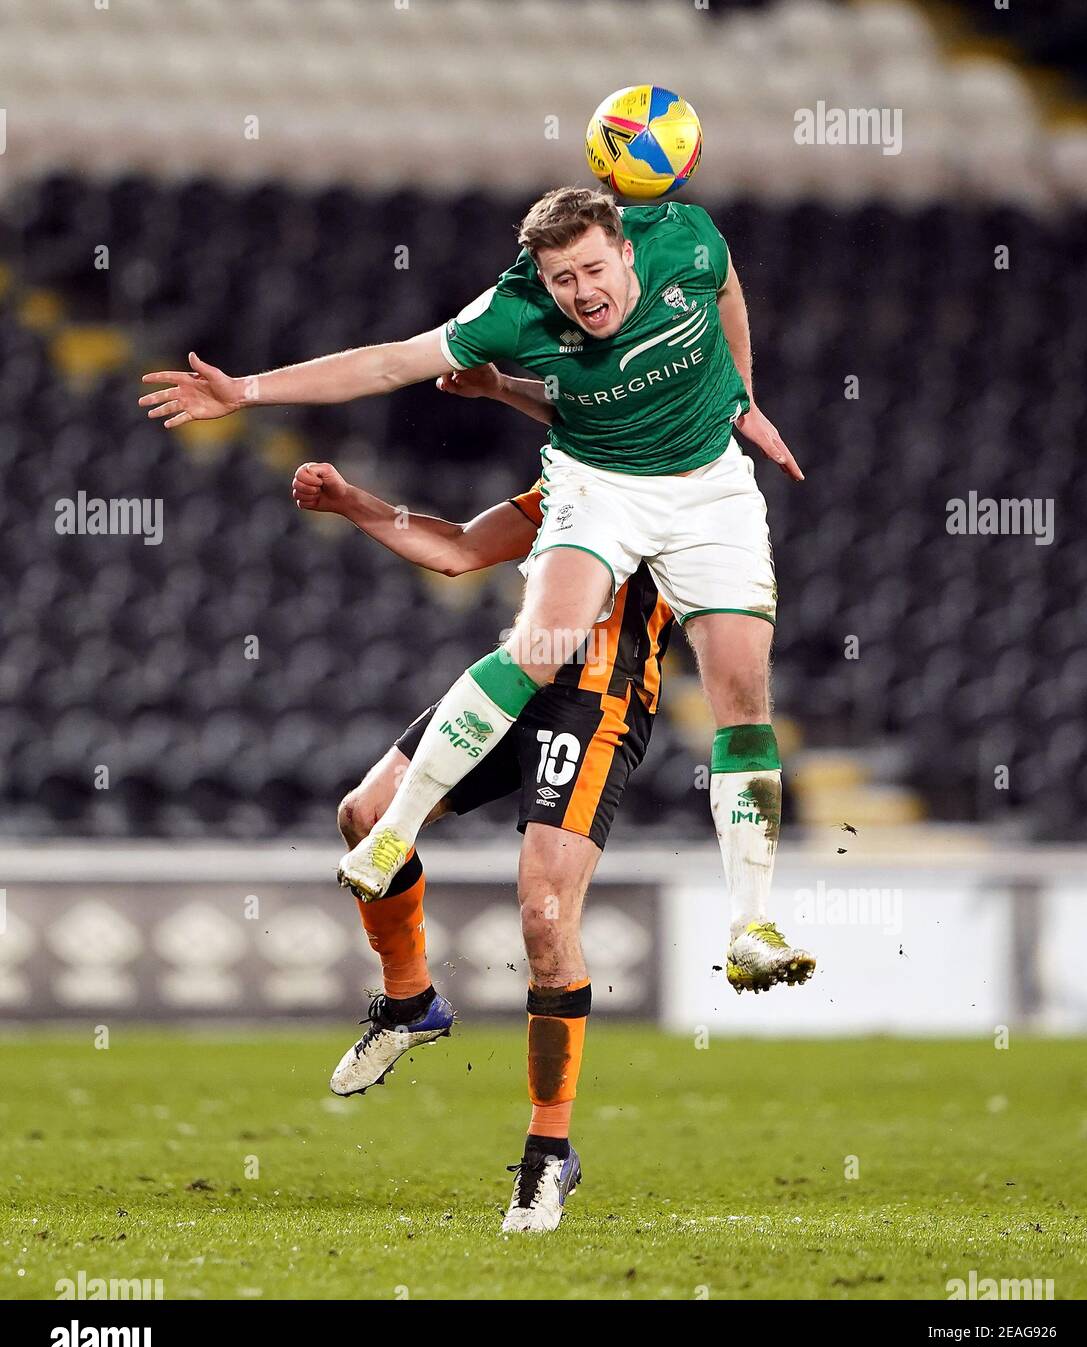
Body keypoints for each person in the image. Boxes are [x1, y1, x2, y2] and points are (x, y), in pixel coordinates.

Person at [138, 185, 813, 1002]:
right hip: (598, 486)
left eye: (593, 269)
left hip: (710, 489)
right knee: (544, 640)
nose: (582, 292)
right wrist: (244, 391)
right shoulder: (513, 310)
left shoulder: (687, 242)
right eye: (561, 279)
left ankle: (750, 928)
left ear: (627, 252)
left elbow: (728, 284)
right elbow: (387, 364)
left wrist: (741, 393)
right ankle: (393, 833)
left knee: (742, 696)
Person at [292, 364, 674, 1231]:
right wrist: (356, 503)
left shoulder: (675, 486)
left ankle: (549, 1154)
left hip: (597, 703)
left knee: (543, 916)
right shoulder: (563, 487)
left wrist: (502, 383)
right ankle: (410, 1004)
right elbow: (461, 547)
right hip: (512, 686)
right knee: (364, 812)